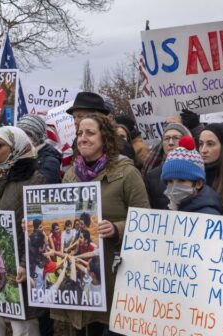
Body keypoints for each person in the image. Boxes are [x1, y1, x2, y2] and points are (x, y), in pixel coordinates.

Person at [51, 113, 149, 336]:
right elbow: (60, 217)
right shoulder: (70, 176)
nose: (82, 138)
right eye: (79, 133)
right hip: (82, 274)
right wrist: (36, 222)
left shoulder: (127, 173)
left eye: (90, 133)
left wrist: (116, 229)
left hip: (115, 273)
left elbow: (146, 220)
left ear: (105, 138)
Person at [0, 126, 46, 336]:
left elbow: (38, 226)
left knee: (22, 323)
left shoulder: (35, 179)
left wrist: (25, 262)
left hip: (18, 260)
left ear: (16, 148)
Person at [66, 92, 136, 165]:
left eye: (80, 116)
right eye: (74, 117)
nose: (75, 121)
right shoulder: (77, 142)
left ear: (99, 117)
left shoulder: (121, 145)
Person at [160, 135, 223, 215]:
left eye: (181, 180)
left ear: (199, 184)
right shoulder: (169, 209)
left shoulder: (209, 215)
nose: (174, 186)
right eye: (170, 181)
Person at [143, 123, 192, 209]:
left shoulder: (199, 171)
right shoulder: (151, 176)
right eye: (166, 138)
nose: (170, 143)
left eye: (176, 138)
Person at [18, 114, 62, 183]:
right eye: (19, 134)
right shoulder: (17, 156)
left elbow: (42, 189)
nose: (22, 138)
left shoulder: (50, 162)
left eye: (27, 134)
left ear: (37, 137)